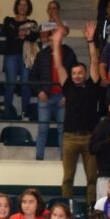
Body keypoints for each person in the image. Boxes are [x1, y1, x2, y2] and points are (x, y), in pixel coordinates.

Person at [54, 24, 102, 207]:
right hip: (70, 138)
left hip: (91, 137)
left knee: (92, 177)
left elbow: (94, 61)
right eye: (74, 73)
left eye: (80, 72)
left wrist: (90, 40)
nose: (77, 75)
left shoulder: (93, 85)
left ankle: (92, 208)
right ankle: (67, 209)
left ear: (85, 74)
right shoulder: (67, 86)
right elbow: (58, 64)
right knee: (68, 177)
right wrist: (57, 42)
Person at [30, 23, 74, 160]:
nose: (53, 41)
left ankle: (64, 158)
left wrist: (68, 95)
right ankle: (39, 158)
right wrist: (39, 92)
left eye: (55, 39)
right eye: (51, 39)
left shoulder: (68, 53)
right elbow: (32, 77)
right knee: (43, 129)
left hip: (63, 96)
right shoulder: (42, 55)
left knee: (63, 130)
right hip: (45, 97)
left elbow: (75, 75)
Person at [1, 0, 38, 118]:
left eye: (25, 5)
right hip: (11, 55)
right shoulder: (8, 20)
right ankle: (7, 111)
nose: (22, 7)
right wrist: (23, 33)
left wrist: (17, 33)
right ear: (16, 6)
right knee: (11, 83)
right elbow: (8, 32)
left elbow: (33, 37)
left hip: (26, 57)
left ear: (29, 8)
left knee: (25, 84)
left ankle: (24, 113)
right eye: (20, 4)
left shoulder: (33, 23)